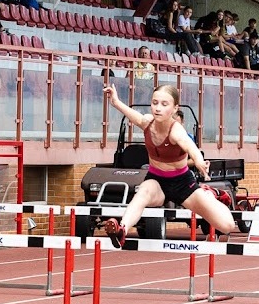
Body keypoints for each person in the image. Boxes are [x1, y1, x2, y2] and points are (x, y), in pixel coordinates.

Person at [99, 83, 237, 248]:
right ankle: (122, 229)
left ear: (174, 108)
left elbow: (189, 146)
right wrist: (115, 101)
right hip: (157, 180)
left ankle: (210, 193)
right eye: (155, 103)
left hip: (182, 183)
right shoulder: (147, 123)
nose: (157, 108)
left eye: (164, 104)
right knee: (143, 191)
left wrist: (199, 161)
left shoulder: (176, 130)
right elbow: (132, 114)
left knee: (227, 225)